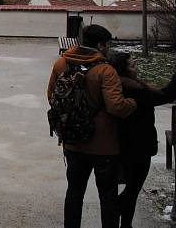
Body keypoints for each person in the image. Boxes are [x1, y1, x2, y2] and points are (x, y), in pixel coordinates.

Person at [47, 24, 137, 228]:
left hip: (73, 141)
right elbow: (116, 107)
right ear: (100, 45)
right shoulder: (106, 71)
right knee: (107, 196)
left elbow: (51, 96)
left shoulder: (62, 64)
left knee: (74, 192)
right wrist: (133, 103)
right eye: (108, 45)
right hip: (103, 146)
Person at [109, 50, 176, 228]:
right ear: (123, 70)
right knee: (132, 190)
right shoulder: (134, 90)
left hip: (125, 146)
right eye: (132, 65)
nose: (136, 65)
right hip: (137, 148)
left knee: (131, 190)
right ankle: (113, 214)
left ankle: (122, 222)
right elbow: (167, 94)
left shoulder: (117, 86)